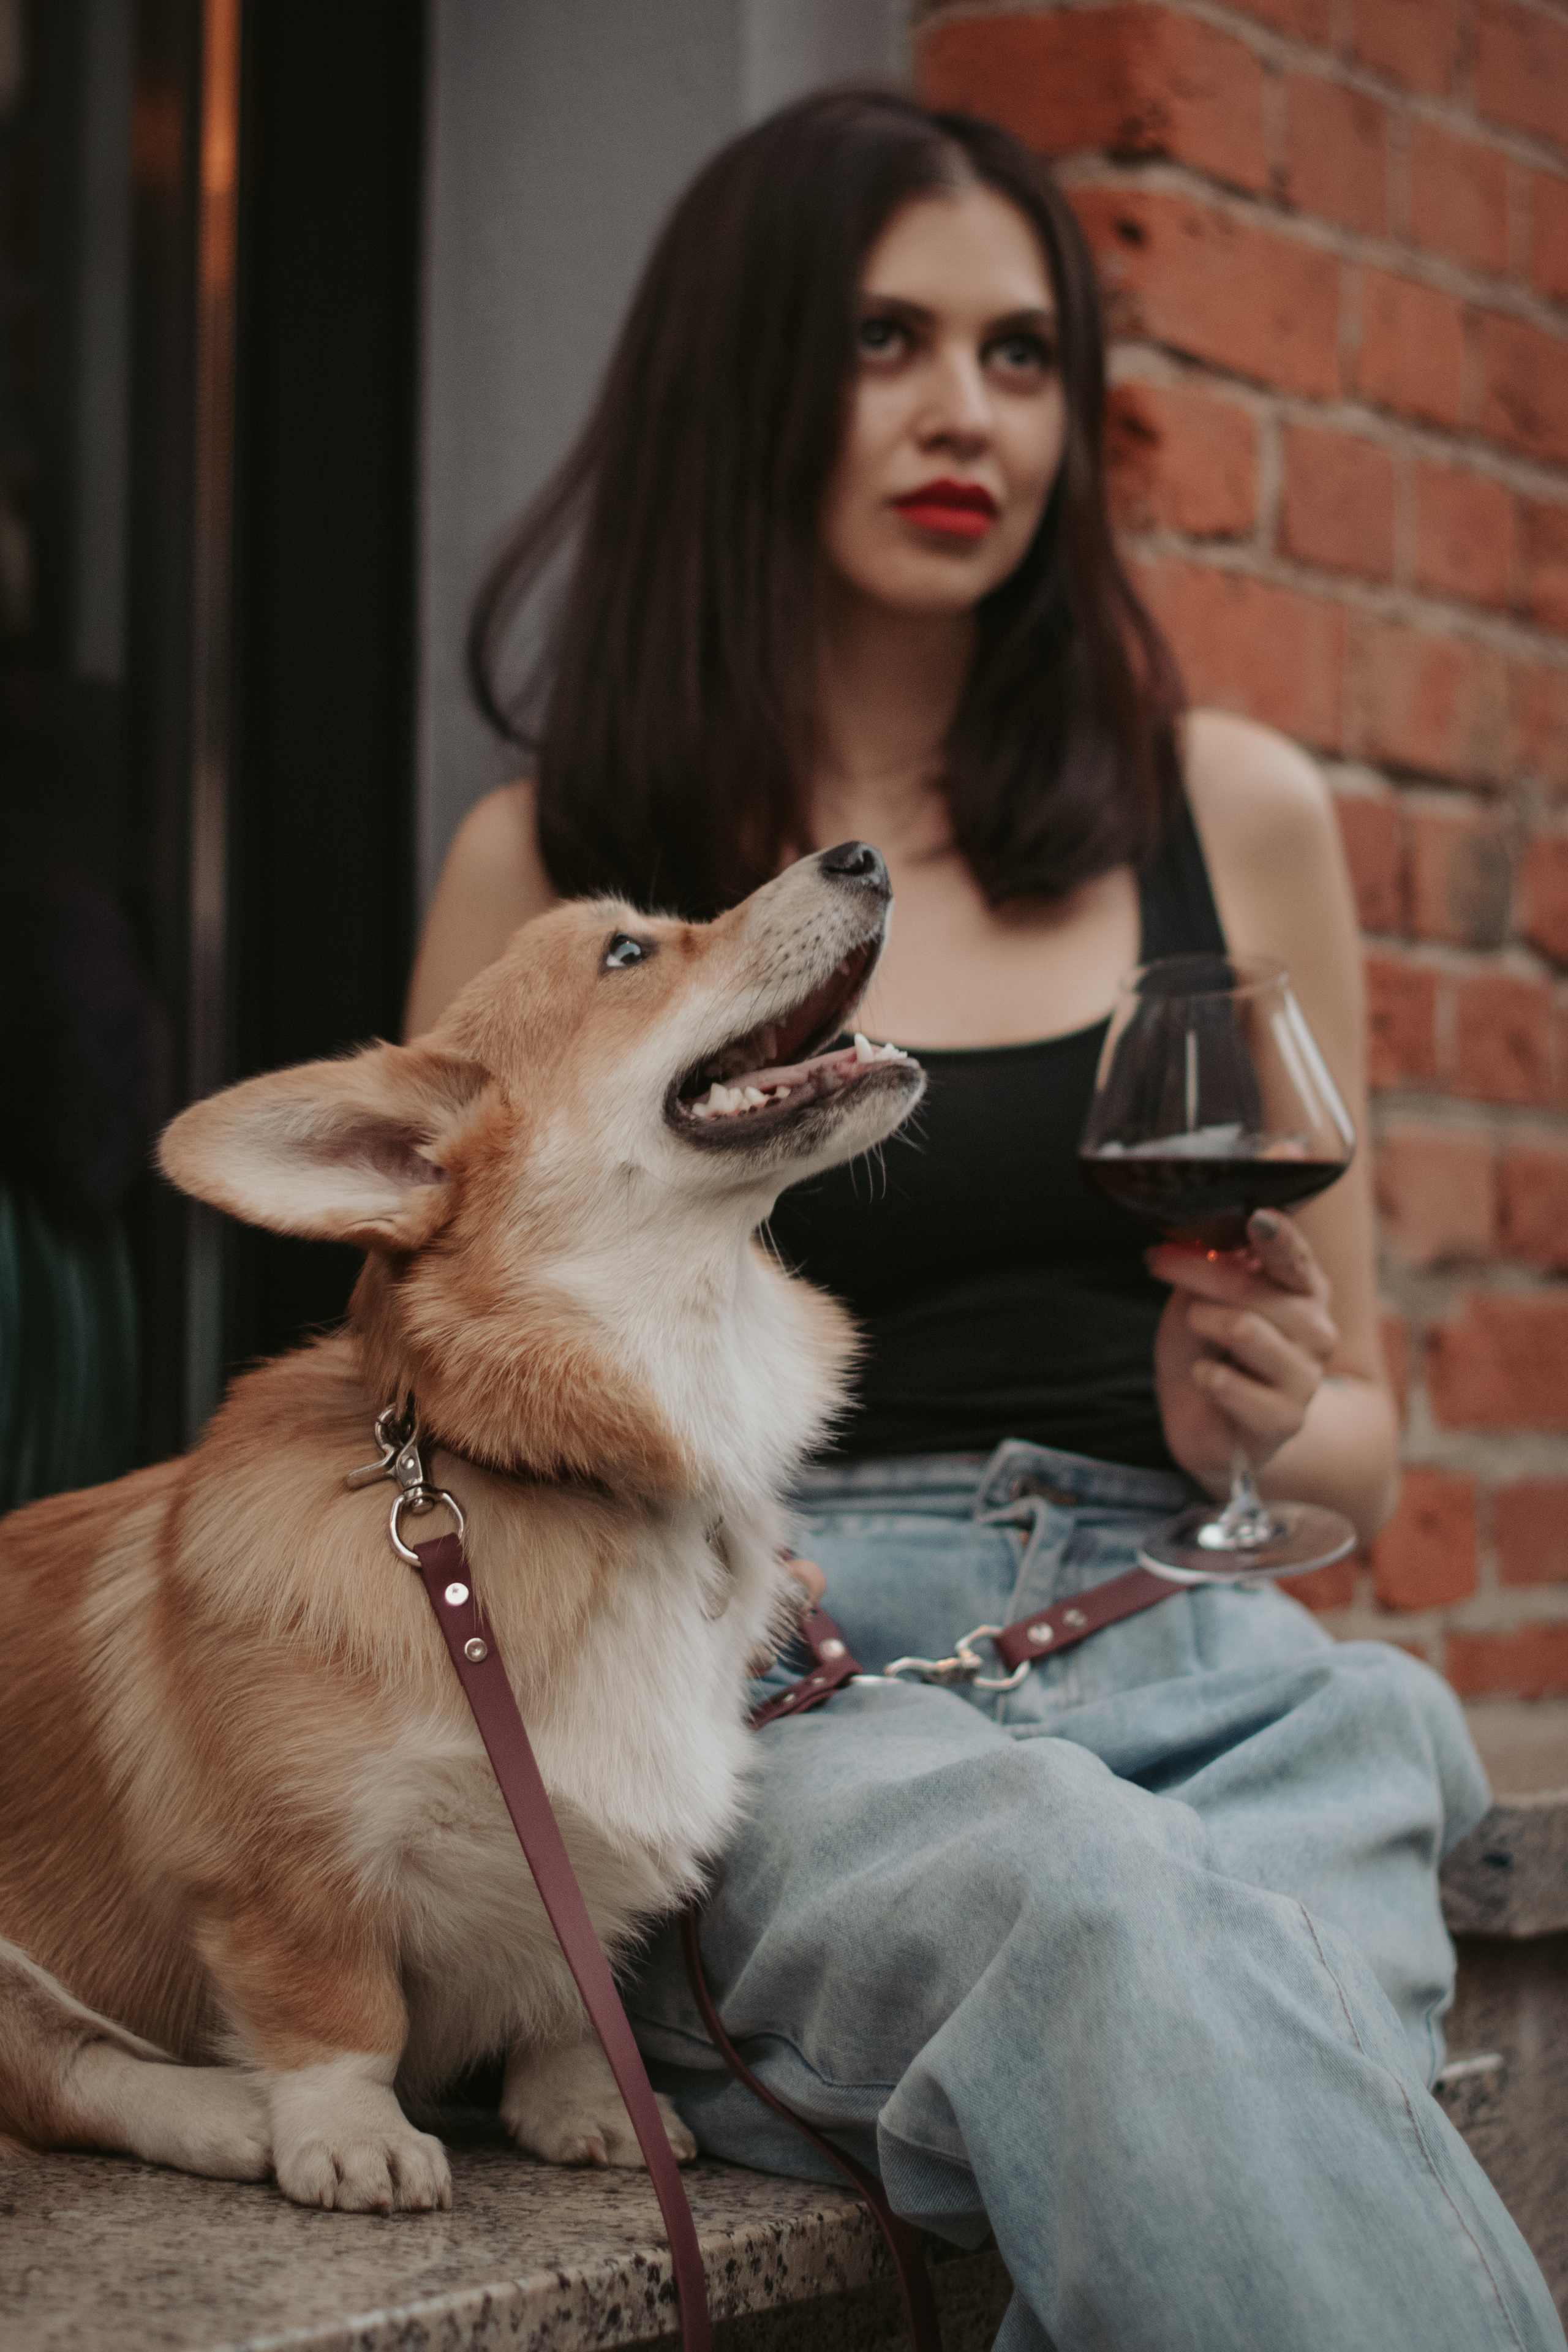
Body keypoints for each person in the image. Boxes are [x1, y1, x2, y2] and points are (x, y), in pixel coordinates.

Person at [407, 89, 1562, 2352]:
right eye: (887, 342)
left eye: (1023, 356)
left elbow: (1360, 1462)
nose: (970, 416)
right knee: (1106, 1921)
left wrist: (1266, 1399)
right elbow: (433, 1403)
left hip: (1204, 1644)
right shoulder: (558, 876)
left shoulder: (1228, 814)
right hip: (783, 1668)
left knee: (1276, 1887)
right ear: (748, 381)